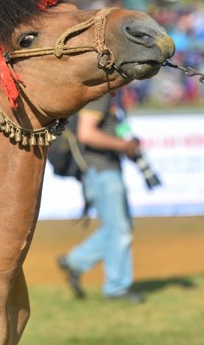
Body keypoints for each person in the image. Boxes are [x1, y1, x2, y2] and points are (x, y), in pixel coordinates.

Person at [56, 92, 144, 303]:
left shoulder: (112, 95)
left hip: (106, 170)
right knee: (119, 230)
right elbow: (86, 133)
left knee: (116, 229)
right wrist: (124, 146)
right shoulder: (101, 94)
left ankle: (74, 262)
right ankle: (116, 289)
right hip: (101, 171)